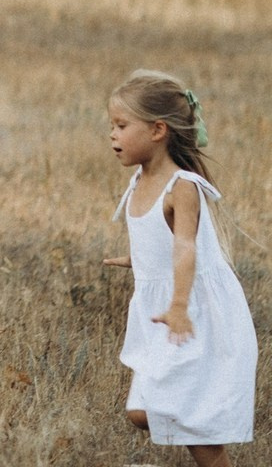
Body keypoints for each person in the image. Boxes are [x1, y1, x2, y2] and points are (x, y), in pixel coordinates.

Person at [104, 70, 256, 466]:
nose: (113, 135)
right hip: (163, 313)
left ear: (157, 130)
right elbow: (164, 241)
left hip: (193, 312)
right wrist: (139, 259)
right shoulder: (140, 181)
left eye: (122, 126)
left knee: (166, 414)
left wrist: (178, 305)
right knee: (184, 423)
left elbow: (186, 247)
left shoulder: (181, 186)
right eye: (112, 126)